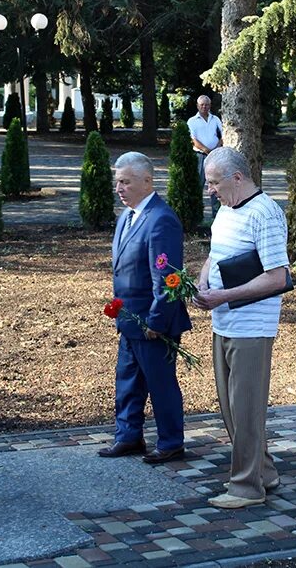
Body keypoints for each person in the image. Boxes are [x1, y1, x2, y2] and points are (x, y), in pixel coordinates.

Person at [193, 147, 289, 509]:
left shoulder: (264, 213)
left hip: (251, 326)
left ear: (237, 178)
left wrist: (224, 295)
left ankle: (246, 488)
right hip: (225, 321)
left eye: (214, 183)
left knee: (246, 408)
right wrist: (203, 283)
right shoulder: (227, 210)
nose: (210, 190)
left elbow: (277, 277)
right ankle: (264, 472)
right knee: (233, 409)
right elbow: (215, 255)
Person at [100, 152, 191, 464]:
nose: (119, 188)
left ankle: (171, 442)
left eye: (125, 181)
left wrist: (156, 321)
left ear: (147, 181)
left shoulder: (161, 219)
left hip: (153, 323)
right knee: (127, 381)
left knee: (160, 384)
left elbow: (168, 278)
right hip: (129, 319)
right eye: (117, 182)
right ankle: (128, 437)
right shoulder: (126, 216)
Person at [187, 95, 223, 217]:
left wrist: (216, 149)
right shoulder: (192, 121)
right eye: (202, 104)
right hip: (200, 156)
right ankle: (197, 214)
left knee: (215, 185)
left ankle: (216, 213)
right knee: (198, 185)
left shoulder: (216, 120)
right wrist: (207, 150)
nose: (204, 107)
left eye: (207, 104)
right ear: (197, 106)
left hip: (216, 156)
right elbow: (193, 139)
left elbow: (222, 136)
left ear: (210, 105)